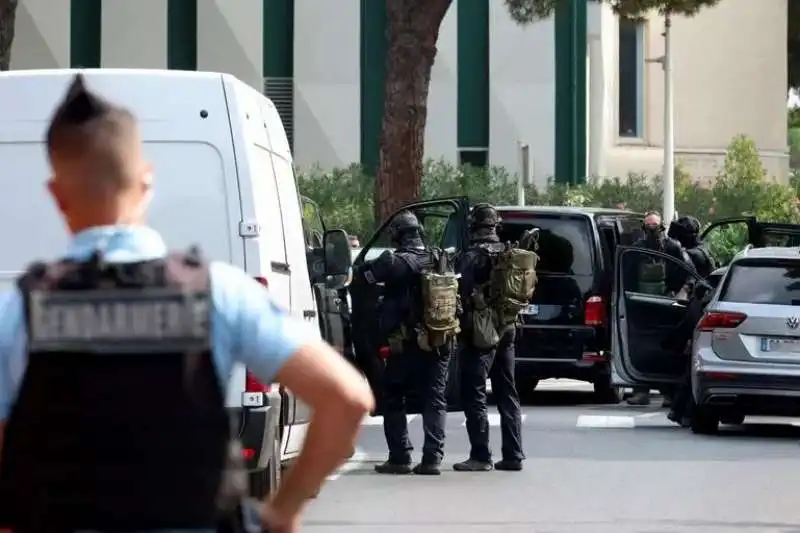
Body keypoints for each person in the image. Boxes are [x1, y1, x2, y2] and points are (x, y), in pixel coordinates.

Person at [0, 74, 374, 533]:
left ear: (56, 195)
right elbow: (348, 398)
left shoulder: (18, 313)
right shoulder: (218, 294)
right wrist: (284, 511)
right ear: (147, 180)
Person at [356, 211, 454, 476]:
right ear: (419, 232)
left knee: (393, 395)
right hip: (439, 339)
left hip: (405, 343)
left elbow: (362, 281)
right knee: (435, 399)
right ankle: (432, 458)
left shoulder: (392, 261)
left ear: (398, 235)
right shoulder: (438, 257)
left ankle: (400, 457)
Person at [452, 204, 525, 472]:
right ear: (496, 226)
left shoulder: (470, 256)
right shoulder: (509, 253)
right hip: (508, 328)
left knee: (475, 394)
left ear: (473, 226)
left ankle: (481, 456)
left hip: (480, 332)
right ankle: (514, 454)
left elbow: (460, 290)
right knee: (508, 392)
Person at [627, 210, 692, 407]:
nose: (653, 231)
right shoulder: (637, 249)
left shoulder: (673, 247)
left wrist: (682, 292)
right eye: (649, 227)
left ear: (662, 227)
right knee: (641, 348)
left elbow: (690, 273)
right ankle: (641, 390)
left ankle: (668, 392)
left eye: (656, 227)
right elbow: (626, 275)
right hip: (642, 306)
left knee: (667, 350)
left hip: (667, 307)